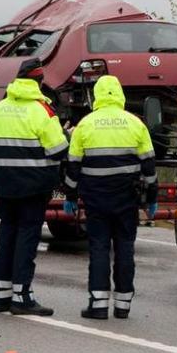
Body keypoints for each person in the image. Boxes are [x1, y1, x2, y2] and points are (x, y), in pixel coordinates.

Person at [63, 75, 157, 320]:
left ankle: (99, 304)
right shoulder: (136, 124)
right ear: (120, 94)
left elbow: (72, 167)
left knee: (99, 248)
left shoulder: (85, 124)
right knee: (125, 248)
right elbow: (149, 167)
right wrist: (151, 199)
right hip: (127, 198)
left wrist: (70, 195)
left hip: (96, 199)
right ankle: (124, 305)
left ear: (96, 95)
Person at [0, 61, 68, 316]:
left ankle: (1, 296)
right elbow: (58, 150)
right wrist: (67, 135)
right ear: (39, 82)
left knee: (7, 236)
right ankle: (22, 297)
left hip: (5, 185)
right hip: (34, 187)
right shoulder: (43, 111)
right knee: (27, 239)